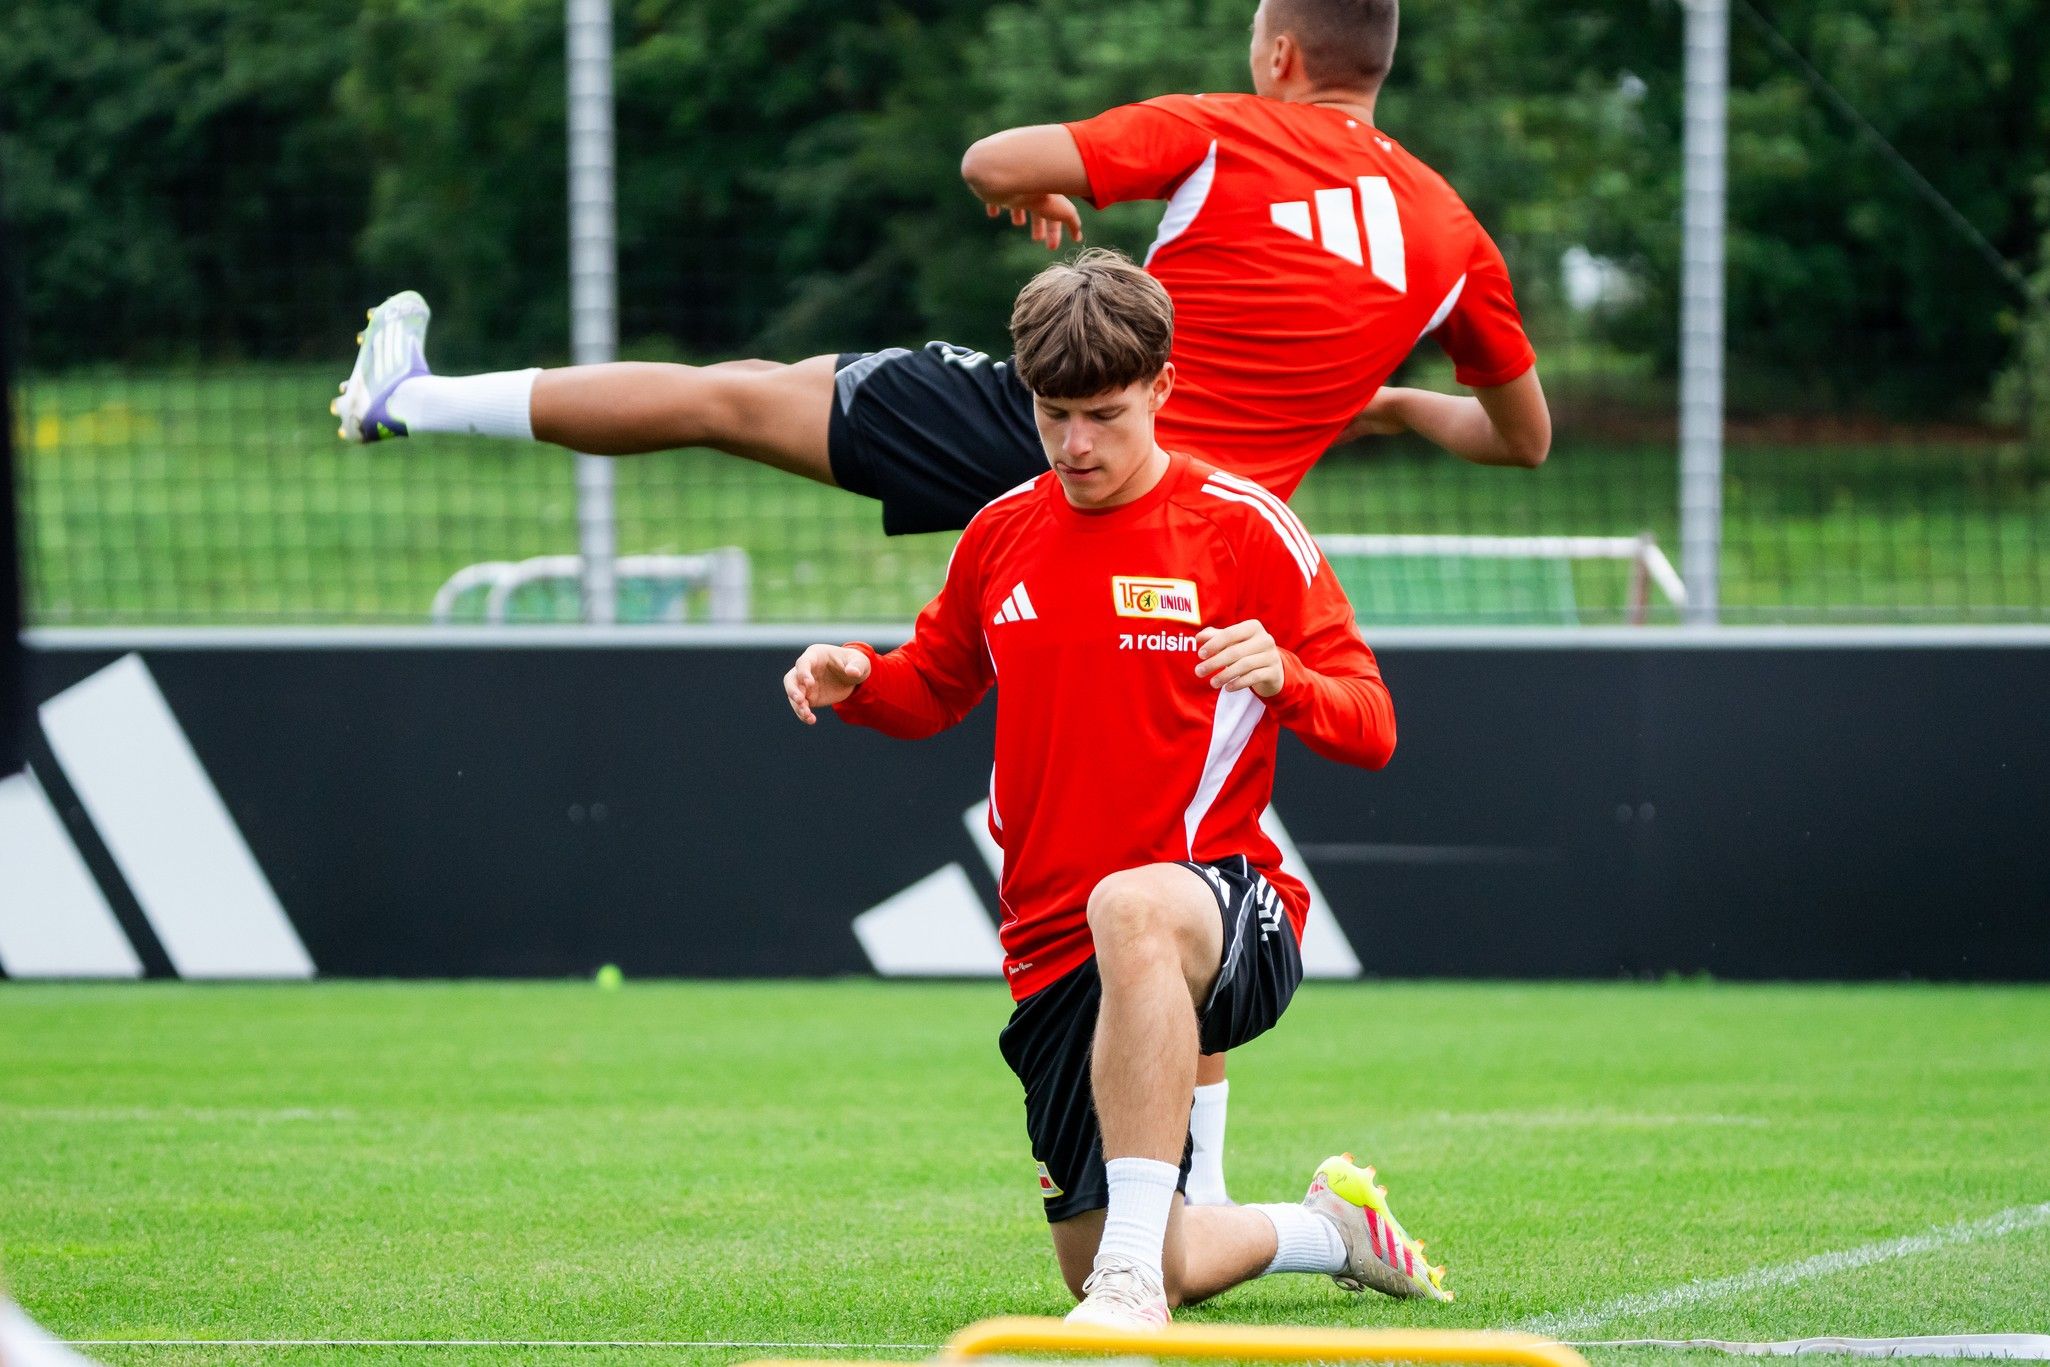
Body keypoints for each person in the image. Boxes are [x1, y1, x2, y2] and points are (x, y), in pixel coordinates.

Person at [329, 0, 1550, 1206]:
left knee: (737, 396)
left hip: (1063, 448)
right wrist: (1388, 402)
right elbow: (1520, 438)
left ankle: (416, 398)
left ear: (1278, 51)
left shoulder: (1230, 127)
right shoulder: (1452, 234)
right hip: (1198, 533)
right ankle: (1205, 1199)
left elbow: (993, 161)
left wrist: (1042, 195)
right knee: (1182, 847)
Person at [782, 253, 1447, 1326]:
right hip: (1050, 947)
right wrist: (859, 676)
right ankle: (1328, 1231)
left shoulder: (1242, 525)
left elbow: (1373, 724)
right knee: (1100, 1259)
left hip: (1226, 912)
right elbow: (934, 683)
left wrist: (1287, 676)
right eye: (1053, 414)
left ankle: (1132, 1281)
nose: (1076, 444)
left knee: (1131, 904)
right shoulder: (1000, 531)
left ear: (1162, 389)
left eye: (1104, 414)